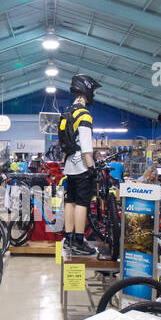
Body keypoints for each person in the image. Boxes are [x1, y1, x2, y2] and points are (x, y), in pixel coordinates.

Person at [58, 73, 102, 256]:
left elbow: (64, 144)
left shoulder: (67, 112)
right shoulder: (84, 114)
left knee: (70, 201)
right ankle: (78, 240)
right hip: (81, 165)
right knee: (82, 203)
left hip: (69, 165)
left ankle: (67, 238)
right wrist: (92, 168)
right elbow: (86, 147)